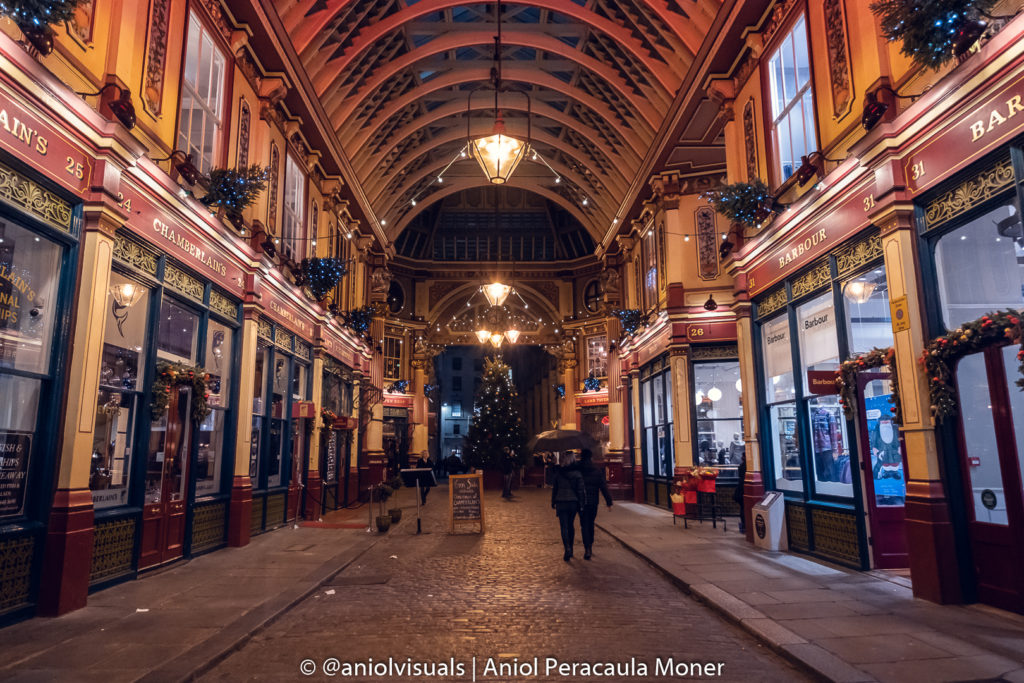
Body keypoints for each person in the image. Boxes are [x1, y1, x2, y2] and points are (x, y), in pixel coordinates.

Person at [577, 449, 613, 560]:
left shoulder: (578, 469)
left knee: (584, 524)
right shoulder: (596, 470)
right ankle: (590, 545)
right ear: (591, 457)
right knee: (591, 523)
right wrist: (609, 501)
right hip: (593, 502)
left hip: (581, 501)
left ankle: (587, 548)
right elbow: (603, 487)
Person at [550, 452, 586, 561]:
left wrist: (553, 501)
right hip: (573, 502)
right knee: (570, 525)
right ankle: (571, 548)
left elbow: (554, 489)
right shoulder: (577, 473)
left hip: (561, 502)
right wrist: (581, 503)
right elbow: (580, 490)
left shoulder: (559, 473)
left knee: (563, 526)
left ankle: (567, 548)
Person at [734, 456, 746, 534]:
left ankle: (744, 525)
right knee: (744, 507)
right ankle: (745, 525)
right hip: (743, 489)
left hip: (740, 490)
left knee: (743, 508)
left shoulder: (741, 466)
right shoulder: (746, 466)